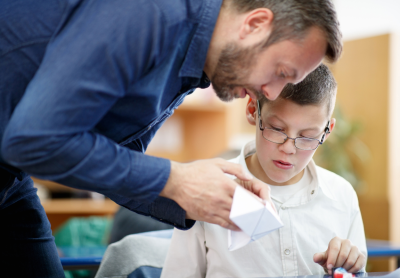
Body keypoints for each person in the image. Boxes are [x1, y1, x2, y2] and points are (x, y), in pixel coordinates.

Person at [0, 0, 341, 275]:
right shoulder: (151, 12)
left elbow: (115, 163)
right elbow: (33, 139)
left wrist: (199, 196)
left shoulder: (190, 62)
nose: (271, 91)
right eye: (281, 72)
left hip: (10, 178)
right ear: (254, 24)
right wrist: (176, 179)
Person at [161, 64, 367, 278]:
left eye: (307, 137)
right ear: (252, 111)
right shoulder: (208, 189)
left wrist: (351, 266)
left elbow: (355, 271)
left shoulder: (342, 195)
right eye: (277, 129)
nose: (288, 148)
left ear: (327, 132)